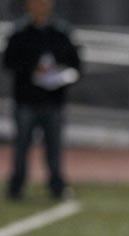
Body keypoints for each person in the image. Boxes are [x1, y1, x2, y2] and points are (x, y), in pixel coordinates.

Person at [3, 0, 81, 200]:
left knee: (54, 148)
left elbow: (76, 64)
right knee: (21, 147)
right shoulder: (20, 33)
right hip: (26, 100)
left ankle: (57, 186)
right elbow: (9, 62)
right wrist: (32, 70)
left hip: (53, 101)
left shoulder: (61, 32)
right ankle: (16, 186)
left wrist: (59, 73)